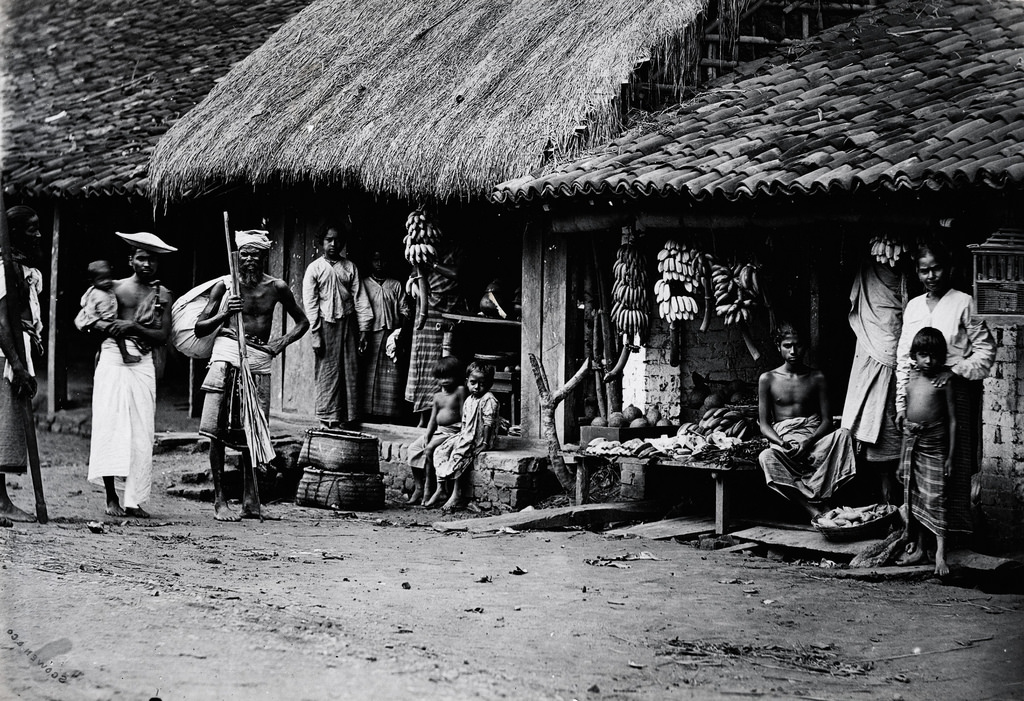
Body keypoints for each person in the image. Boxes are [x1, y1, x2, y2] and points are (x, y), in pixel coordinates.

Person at [196, 230, 309, 522]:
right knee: (217, 431)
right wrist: (224, 315)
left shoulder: (277, 287)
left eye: (254, 255)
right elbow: (200, 328)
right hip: (227, 356)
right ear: (237, 255)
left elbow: (303, 322)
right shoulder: (224, 287)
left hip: (258, 360)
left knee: (254, 431)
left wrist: (278, 344)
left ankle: (251, 502)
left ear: (264, 257)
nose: (248, 260)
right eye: (243, 254)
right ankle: (220, 501)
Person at [895, 242, 994, 539]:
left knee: (954, 467)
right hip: (918, 396)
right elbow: (903, 357)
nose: (931, 275)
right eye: (924, 270)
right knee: (916, 472)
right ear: (917, 272)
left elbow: (985, 351)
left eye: (936, 268)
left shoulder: (964, 302)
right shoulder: (913, 306)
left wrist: (954, 370)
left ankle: (954, 538)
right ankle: (919, 540)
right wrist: (901, 403)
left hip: (953, 394)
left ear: (947, 268)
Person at [86, 232, 175, 518]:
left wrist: (133, 328)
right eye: (141, 258)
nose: (146, 264)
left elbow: (162, 335)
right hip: (113, 357)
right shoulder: (113, 288)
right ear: (131, 260)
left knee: (141, 430)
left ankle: (134, 500)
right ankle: (111, 496)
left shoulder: (163, 295)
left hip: (143, 360)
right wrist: (108, 329)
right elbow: (90, 318)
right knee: (110, 425)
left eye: (152, 259)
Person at [757, 323, 857, 517]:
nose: (793, 351)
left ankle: (824, 499)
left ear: (805, 346)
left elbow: (827, 420)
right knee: (765, 457)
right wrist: (782, 442)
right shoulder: (767, 379)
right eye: (787, 346)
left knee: (844, 434)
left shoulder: (817, 377)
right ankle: (811, 509)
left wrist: (809, 441)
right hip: (785, 446)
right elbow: (764, 424)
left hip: (815, 443)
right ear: (779, 347)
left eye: (798, 345)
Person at [841, 252, 906, 503]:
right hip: (873, 350)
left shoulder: (904, 280)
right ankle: (887, 505)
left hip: (894, 355)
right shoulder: (870, 269)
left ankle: (899, 508)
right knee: (876, 427)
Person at [896, 327, 956, 576]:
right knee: (915, 497)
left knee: (936, 498)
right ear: (914, 355)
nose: (928, 361)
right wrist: (901, 460)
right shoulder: (909, 378)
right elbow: (907, 427)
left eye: (933, 355)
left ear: (941, 357)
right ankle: (920, 548)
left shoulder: (943, 380)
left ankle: (941, 552)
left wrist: (951, 456)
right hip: (913, 445)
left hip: (935, 444)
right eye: (923, 354)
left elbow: (953, 420)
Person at [302, 224, 372, 429]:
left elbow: (360, 298)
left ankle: (346, 418)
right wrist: (315, 333)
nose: (333, 244)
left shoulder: (350, 267)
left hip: (349, 323)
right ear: (322, 242)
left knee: (349, 369)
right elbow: (311, 301)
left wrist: (364, 329)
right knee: (328, 370)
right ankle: (327, 417)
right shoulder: (315, 268)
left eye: (337, 240)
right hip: (325, 325)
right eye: (329, 240)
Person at [0, 205, 44, 524]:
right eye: (32, 229)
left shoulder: (21, 268)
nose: (38, 235)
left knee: (9, 425)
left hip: (18, 353)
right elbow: (1, 322)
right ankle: (1, 502)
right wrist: (16, 365)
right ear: (14, 234)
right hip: (5, 357)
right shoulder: (4, 270)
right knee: (3, 426)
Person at [425, 361, 501, 512]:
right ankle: (441, 488)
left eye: (482, 383)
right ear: (467, 382)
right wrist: (458, 437)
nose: (477, 387)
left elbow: (488, 423)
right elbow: (465, 423)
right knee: (442, 449)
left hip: (480, 439)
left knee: (459, 453)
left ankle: (457, 494)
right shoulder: (469, 399)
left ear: (490, 384)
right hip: (467, 435)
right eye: (473, 383)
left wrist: (485, 443)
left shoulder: (488, 400)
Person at [405, 243, 465, 427]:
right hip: (426, 310)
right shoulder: (421, 251)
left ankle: (442, 417)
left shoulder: (456, 250)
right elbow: (414, 279)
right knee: (422, 365)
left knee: (441, 362)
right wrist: (413, 281)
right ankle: (424, 418)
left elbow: (456, 274)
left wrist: (432, 265)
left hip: (444, 312)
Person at [405, 355, 466, 505]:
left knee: (430, 448)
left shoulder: (460, 391)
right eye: (441, 377)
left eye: (449, 376)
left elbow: (464, 413)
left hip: (452, 431)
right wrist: (427, 435)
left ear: (457, 376)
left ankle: (429, 488)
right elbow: (433, 419)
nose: (445, 381)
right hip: (439, 430)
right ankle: (419, 487)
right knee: (414, 448)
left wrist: (463, 433)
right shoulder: (438, 396)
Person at [359, 250, 410, 419]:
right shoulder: (364, 283)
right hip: (370, 335)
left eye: (383, 260)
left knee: (392, 377)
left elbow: (405, 310)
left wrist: (399, 334)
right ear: (370, 262)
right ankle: (368, 413)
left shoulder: (395, 285)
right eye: (375, 260)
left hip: (392, 336)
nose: (379, 264)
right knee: (368, 374)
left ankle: (389, 416)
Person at [75, 260, 140, 364]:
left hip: (96, 321)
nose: (107, 281)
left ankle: (99, 363)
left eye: (109, 277)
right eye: (102, 279)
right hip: (101, 321)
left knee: (100, 349)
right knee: (118, 332)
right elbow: (99, 311)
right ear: (92, 281)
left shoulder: (96, 290)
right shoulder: (99, 294)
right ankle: (125, 355)